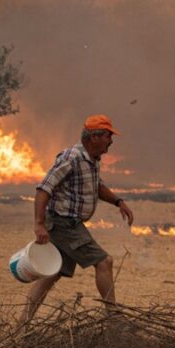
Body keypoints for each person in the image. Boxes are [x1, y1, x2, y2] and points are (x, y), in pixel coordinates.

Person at [26, 114, 135, 316]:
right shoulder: (71, 158)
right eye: (108, 136)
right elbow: (44, 189)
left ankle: (23, 322)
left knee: (53, 272)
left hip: (69, 224)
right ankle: (114, 320)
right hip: (64, 224)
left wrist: (118, 202)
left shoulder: (92, 160)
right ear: (94, 137)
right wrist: (39, 224)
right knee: (104, 262)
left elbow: (97, 186)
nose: (111, 141)